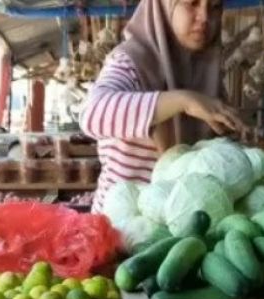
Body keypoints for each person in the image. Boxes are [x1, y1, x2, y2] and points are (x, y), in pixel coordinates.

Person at [80, 0, 244, 212]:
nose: (205, 17)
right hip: (120, 230)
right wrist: (183, 101)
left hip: (180, 228)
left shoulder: (209, 78)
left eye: (215, 7)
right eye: (192, 3)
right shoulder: (131, 62)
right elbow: (92, 114)